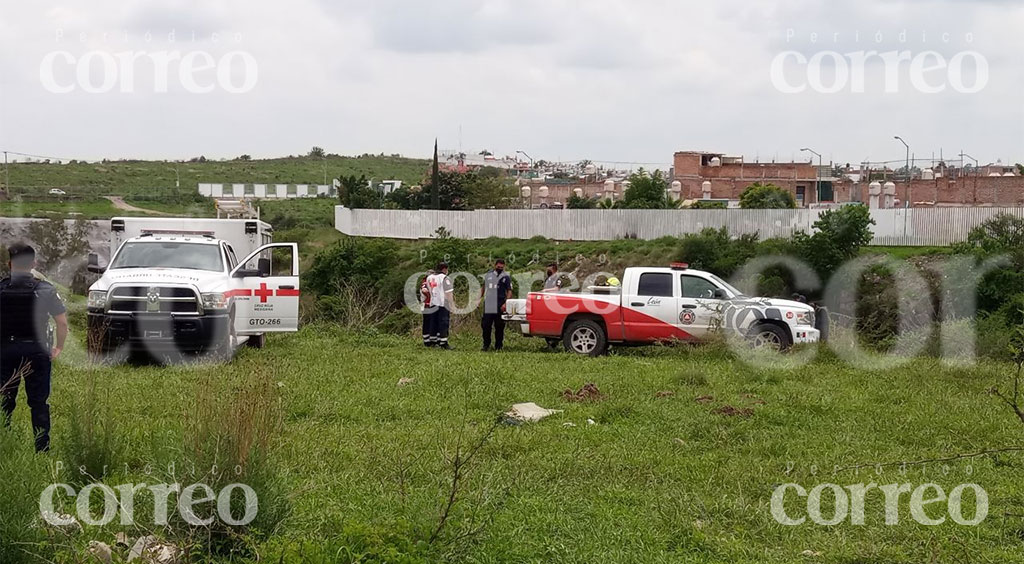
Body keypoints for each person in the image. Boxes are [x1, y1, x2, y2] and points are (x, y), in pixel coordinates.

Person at [1, 243, 68, 453]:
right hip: (37, 351)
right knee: (38, 402)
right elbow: (62, 323)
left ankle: (4, 442)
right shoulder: (45, 289)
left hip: (5, 352)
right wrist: (58, 347)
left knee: (5, 399)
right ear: (33, 263)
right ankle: (42, 449)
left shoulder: (1, 288)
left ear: (9, 263)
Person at [480, 259, 512, 351]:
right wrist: (478, 299)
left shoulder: (506, 277)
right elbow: (483, 287)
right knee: (486, 325)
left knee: (499, 326)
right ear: (495, 265)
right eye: (498, 267)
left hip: (500, 303)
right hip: (489, 303)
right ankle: (486, 345)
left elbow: (509, 291)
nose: (500, 268)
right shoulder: (489, 275)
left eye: (502, 267)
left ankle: (498, 346)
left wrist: (506, 303)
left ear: (504, 267)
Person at [427, 262, 454, 350]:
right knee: (443, 323)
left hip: (433, 302)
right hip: (443, 303)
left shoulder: (429, 277)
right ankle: (443, 342)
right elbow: (448, 292)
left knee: (433, 322)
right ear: (445, 269)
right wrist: (452, 304)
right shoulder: (444, 278)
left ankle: (433, 341)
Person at [420, 269, 435, 347]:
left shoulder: (428, 282)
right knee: (427, 322)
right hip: (426, 305)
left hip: (429, 304)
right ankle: (427, 341)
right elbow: (424, 291)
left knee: (431, 322)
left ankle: (430, 339)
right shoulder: (425, 282)